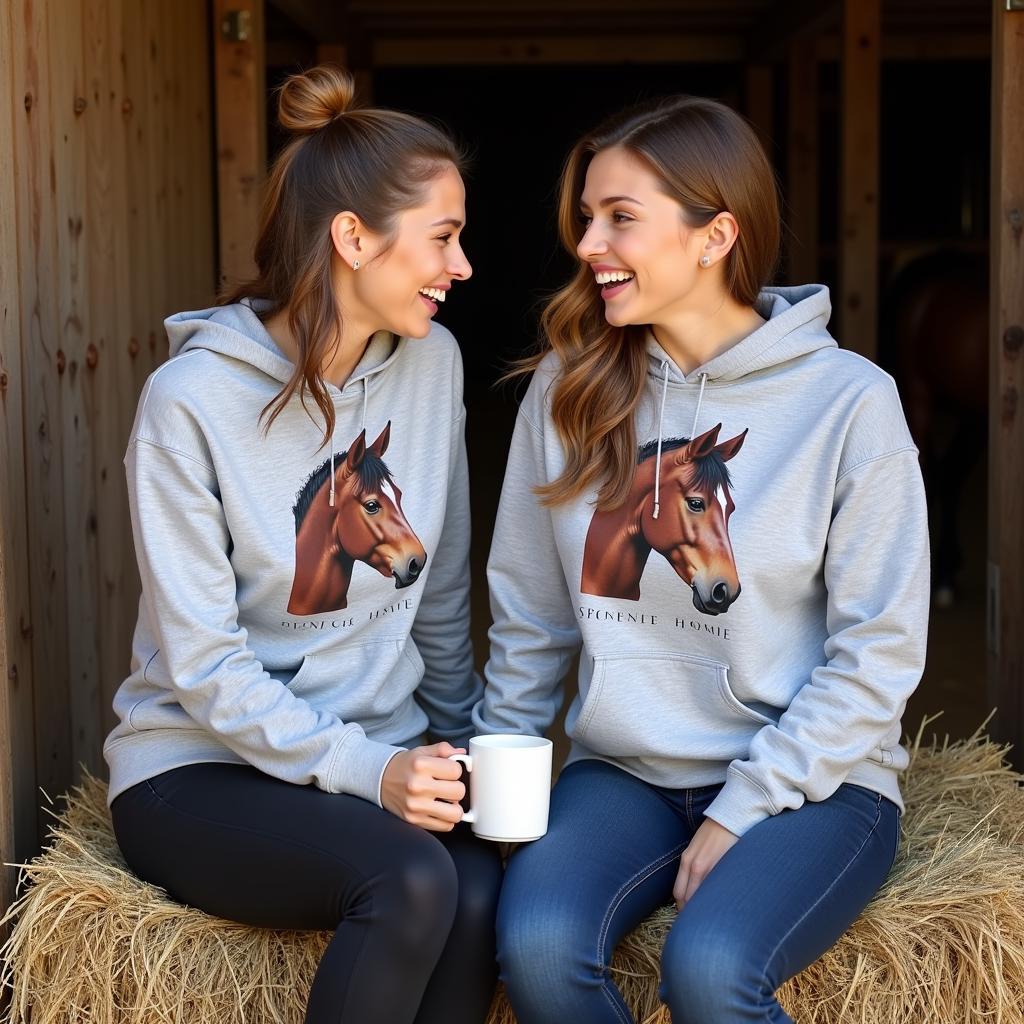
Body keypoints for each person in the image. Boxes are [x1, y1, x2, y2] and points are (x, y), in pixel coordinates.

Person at [473, 94, 929, 1024]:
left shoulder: (849, 404)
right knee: (536, 945)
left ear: (716, 234)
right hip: (625, 774)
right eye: (588, 217)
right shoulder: (568, 391)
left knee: (712, 967)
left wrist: (746, 805)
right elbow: (529, 614)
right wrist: (502, 803)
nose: (590, 242)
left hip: (815, 785)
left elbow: (878, 651)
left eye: (621, 218)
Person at [104, 65, 501, 1024]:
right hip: (201, 766)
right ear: (353, 238)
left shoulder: (430, 363)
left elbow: (439, 591)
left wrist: (460, 750)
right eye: (443, 237)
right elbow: (204, 665)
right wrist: (376, 775)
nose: (464, 265)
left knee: (482, 892)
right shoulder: (191, 403)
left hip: (380, 748)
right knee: (412, 883)